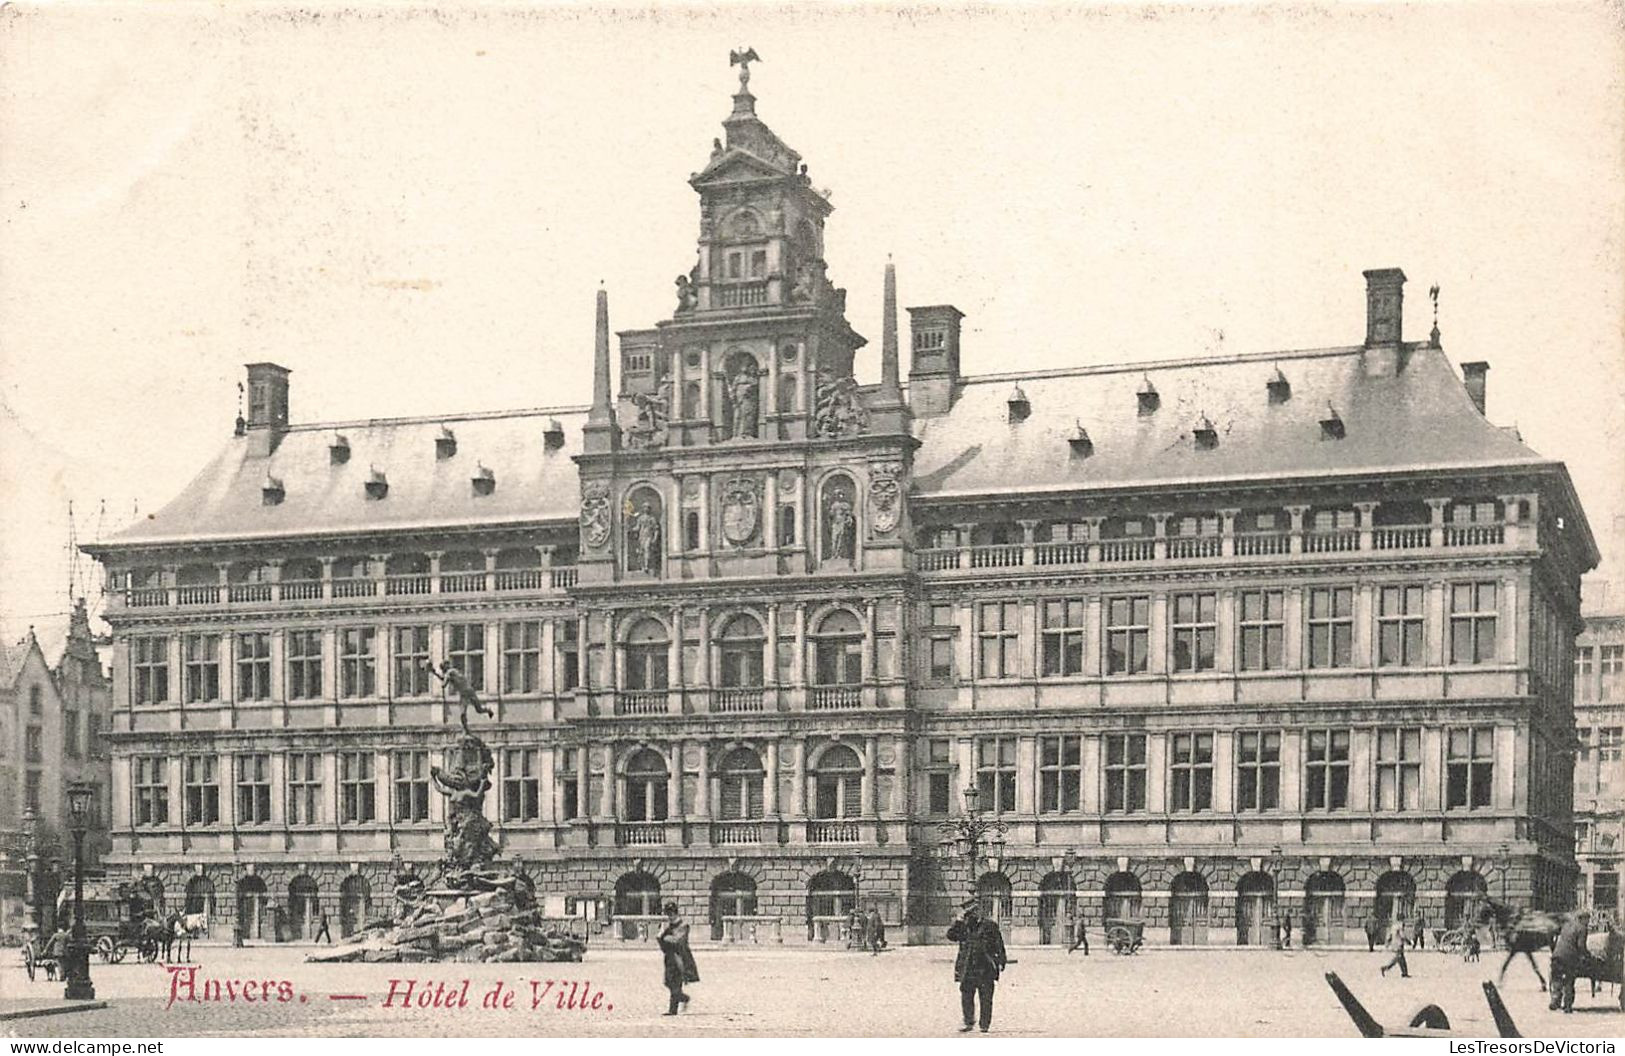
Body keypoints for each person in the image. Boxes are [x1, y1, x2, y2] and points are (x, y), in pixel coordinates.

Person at [947, 898, 1007, 1034]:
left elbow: (999, 943)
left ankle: (984, 1024)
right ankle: (968, 1021)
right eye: (967, 913)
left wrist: (1002, 960)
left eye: (972, 912)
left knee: (986, 997)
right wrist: (958, 921)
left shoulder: (990, 925)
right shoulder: (963, 926)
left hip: (985, 966)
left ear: (978, 911)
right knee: (966, 995)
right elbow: (950, 936)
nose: (970, 916)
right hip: (968, 967)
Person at [656, 902, 699, 1016]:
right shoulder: (668, 927)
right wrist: (660, 937)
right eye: (668, 914)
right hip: (669, 958)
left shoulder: (683, 925)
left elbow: (678, 941)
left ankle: (674, 1008)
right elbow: (663, 944)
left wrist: (665, 937)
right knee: (668, 982)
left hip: (680, 958)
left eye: (671, 914)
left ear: (676, 913)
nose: (670, 917)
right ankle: (682, 999)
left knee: (676, 982)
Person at [1549, 910, 1589, 1013]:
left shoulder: (1566, 925)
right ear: (1582, 919)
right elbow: (1581, 946)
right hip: (1569, 958)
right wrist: (1587, 956)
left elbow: (1552, 933)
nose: (1588, 922)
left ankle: (1555, 1000)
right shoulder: (1582, 928)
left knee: (1556, 979)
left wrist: (1553, 948)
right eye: (1587, 919)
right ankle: (1567, 1006)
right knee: (1569, 981)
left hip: (1556, 956)